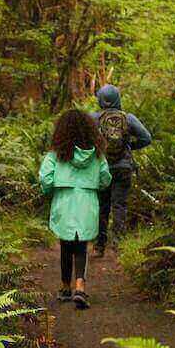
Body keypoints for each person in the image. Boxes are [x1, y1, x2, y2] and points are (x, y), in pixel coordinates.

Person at [39, 109, 112, 309]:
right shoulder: (97, 154)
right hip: (87, 201)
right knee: (81, 245)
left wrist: (49, 190)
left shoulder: (56, 153)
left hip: (64, 201)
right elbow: (105, 179)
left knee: (66, 244)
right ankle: (80, 286)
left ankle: (65, 287)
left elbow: (45, 178)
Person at [90, 84, 152, 256]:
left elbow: (83, 140)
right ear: (117, 98)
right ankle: (118, 245)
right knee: (119, 206)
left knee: (102, 206)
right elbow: (147, 138)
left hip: (101, 168)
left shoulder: (93, 118)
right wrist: (129, 146)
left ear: (101, 99)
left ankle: (99, 246)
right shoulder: (128, 118)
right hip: (124, 167)